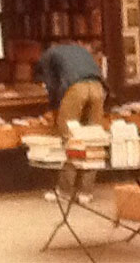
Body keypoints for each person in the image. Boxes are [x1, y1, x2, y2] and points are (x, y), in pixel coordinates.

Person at [34, 42, 107, 203]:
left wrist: (54, 109)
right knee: (93, 140)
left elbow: (52, 85)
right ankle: (86, 192)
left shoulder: (47, 57)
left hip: (76, 88)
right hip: (97, 87)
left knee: (70, 138)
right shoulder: (80, 49)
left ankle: (65, 191)